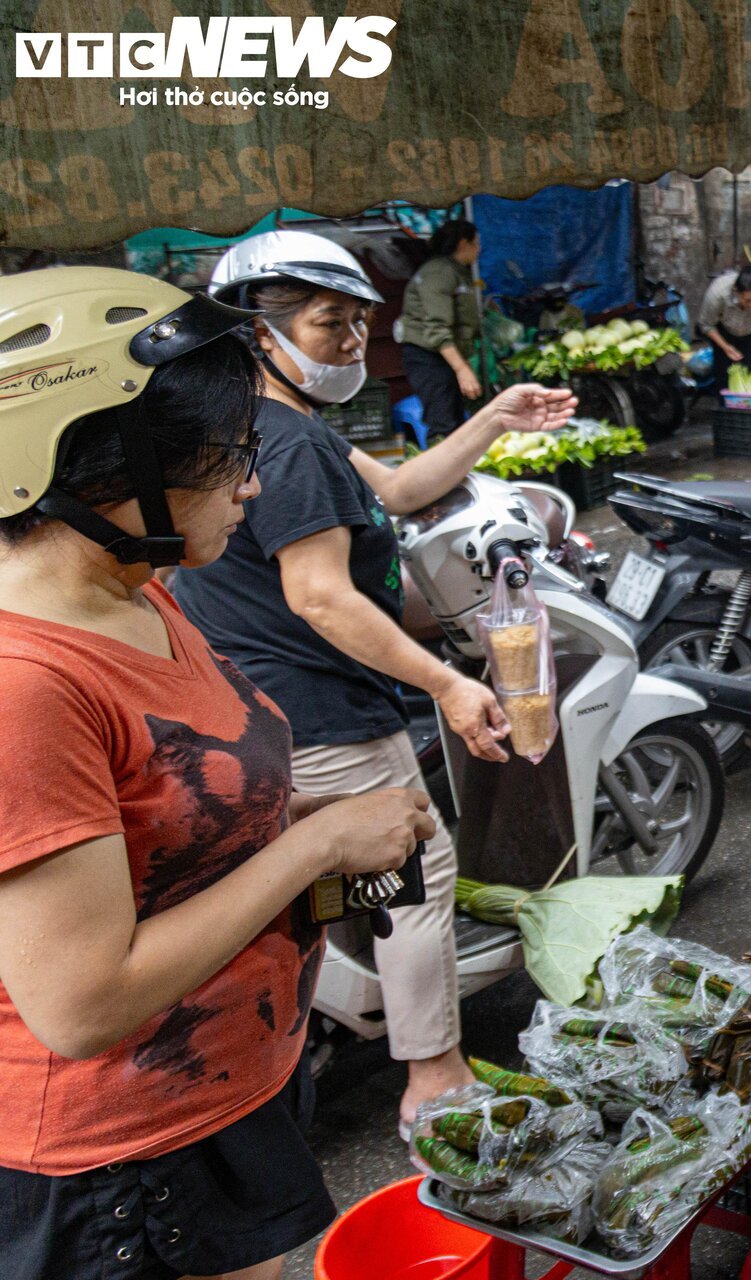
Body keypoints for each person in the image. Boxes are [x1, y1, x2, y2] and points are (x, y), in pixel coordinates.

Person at [0, 267, 437, 1279]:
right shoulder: (26, 684)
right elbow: (82, 1000)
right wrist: (315, 847)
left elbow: (167, 829)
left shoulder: (142, 590)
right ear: (108, 469)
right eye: (229, 454)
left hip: (227, 1092)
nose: (251, 482)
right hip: (118, 1162)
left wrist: (303, 823)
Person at [172, 232, 575, 1129]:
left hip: (243, 704)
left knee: (327, 880)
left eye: (360, 322)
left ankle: (314, 1021)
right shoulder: (291, 445)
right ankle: (433, 1072)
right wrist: (446, 684)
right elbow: (319, 596)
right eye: (329, 322)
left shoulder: (249, 420)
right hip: (318, 708)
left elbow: (397, 491)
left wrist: (495, 419)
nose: (353, 341)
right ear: (254, 331)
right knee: (414, 866)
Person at [397, 219, 483, 440]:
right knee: (443, 422)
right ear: (464, 243)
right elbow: (437, 329)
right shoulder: (438, 273)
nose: (479, 249)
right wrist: (462, 369)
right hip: (429, 357)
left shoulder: (456, 271)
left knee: (456, 422)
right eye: (476, 243)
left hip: (446, 357)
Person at [697, 265, 751, 393]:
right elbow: (706, 324)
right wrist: (725, 347)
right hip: (723, 332)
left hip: (750, 333)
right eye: (747, 301)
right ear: (736, 291)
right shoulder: (718, 294)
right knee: (722, 375)